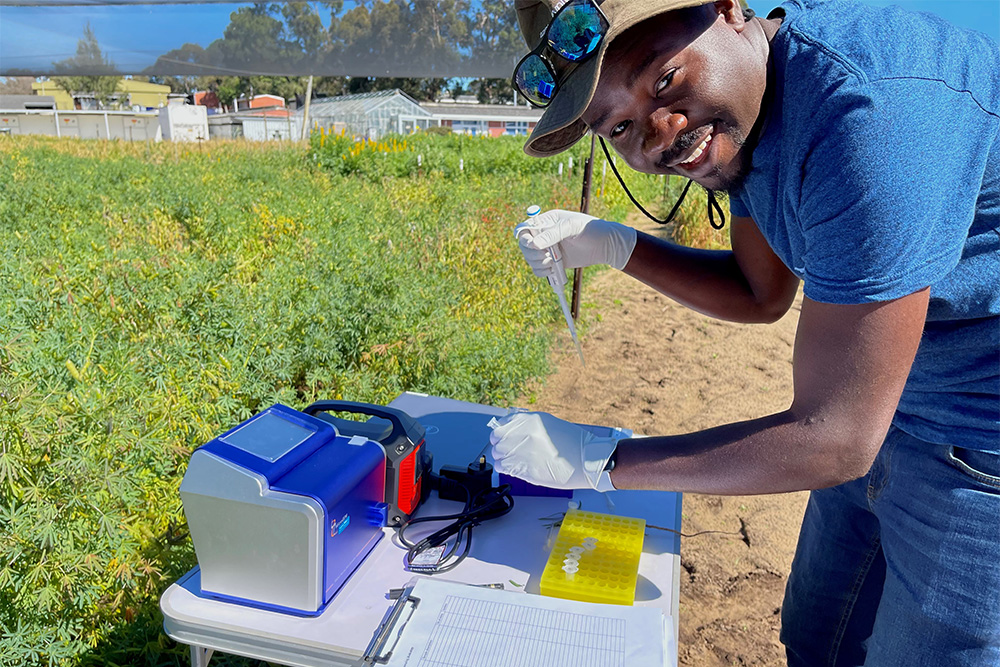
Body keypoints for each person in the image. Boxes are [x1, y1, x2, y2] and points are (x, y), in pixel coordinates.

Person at [491, 0, 1000, 664]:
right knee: (821, 633)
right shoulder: (748, 116)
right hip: (888, 391)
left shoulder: (871, 112)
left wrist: (604, 461)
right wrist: (615, 245)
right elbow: (760, 292)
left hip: (980, 430)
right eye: (618, 126)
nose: (660, 133)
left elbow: (836, 438)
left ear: (727, 9)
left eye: (665, 80)